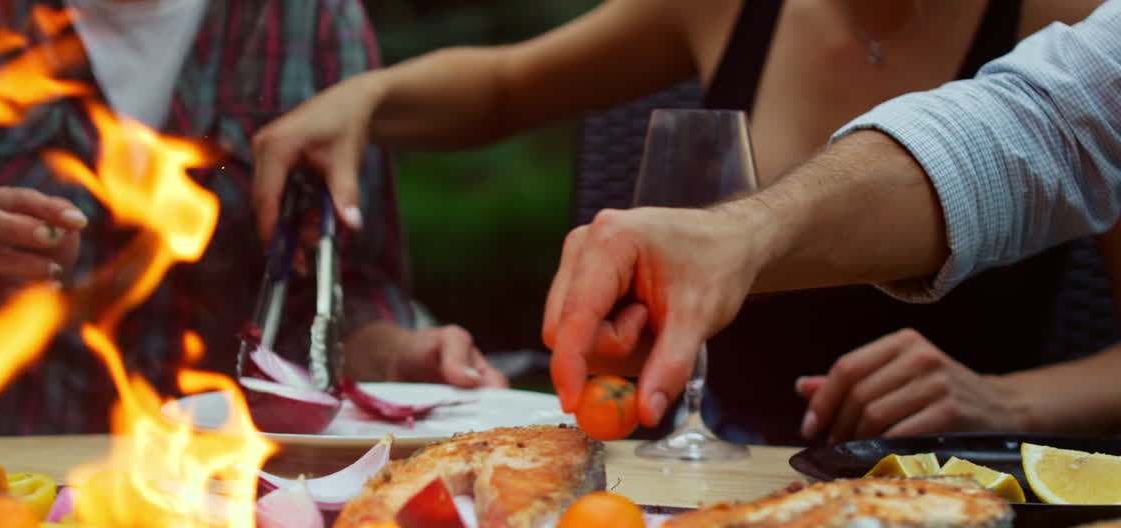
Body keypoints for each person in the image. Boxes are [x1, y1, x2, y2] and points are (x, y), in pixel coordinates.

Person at [251, 0, 1119, 446]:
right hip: (711, 479)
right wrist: (370, 96)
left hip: (956, 492)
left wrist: (1001, 402)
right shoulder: (729, 8)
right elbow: (510, 84)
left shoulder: (1077, 33)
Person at [0, 0, 505, 450]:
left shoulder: (307, 14)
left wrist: (396, 361)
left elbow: (352, 286)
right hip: (8, 499)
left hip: (248, 506)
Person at [543, 2, 1121, 429]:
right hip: (726, 456)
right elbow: (1011, 130)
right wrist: (738, 236)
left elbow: (1035, 134)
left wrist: (1007, 403)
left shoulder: (1077, 22)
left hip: (953, 479)